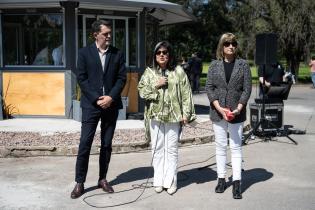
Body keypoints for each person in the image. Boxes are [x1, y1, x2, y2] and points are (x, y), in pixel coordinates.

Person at [71, 19, 126, 199]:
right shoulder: (84, 53)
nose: (109, 36)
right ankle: (80, 182)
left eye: (110, 33)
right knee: (85, 144)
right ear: (96, 35)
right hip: (91, 106)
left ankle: (102, 179)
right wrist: (97, 98)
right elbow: (81, 78)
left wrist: (110, 97)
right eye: (106, 33)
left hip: (111, 105)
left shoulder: (117, 53)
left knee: (106, 145)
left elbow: (121, 78)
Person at [138, 41, 196, 195]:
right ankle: (158, 181)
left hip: (173, 116)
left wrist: (186, 114)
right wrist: (156, 85)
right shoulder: (149, 72)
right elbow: (141, 92)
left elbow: (186, 94)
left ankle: (170, 181)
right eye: (159, 52)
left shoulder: (178, 71)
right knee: (157, 149)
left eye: (165, 52)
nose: (162, 55)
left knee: (171, 150)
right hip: (155, 116)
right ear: (155, 55)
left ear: (170, 55)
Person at [205, 33, 252, 199]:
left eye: (233, 43)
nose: (231, 46)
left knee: (236, 147)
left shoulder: (243, 65)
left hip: (236, 113)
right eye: (227, 44)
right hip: (218, 113)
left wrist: (238, 108)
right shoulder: (213, 65)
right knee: (220, 146)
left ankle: (237, 182)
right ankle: (221, 179)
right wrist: (219, 108)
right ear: (222, 47)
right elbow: (209, 87)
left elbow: (247, 89)